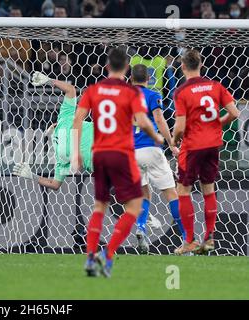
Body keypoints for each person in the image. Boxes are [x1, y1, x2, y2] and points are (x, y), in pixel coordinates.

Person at [72, 48, 163, 277]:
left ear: (106, 67)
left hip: (100, 154)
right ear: (126, 69)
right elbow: (142, 122)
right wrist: (157, 137)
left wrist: (76, 152)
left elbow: (78, 120)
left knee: (99, 206)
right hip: (122, 153)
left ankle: (90, 258)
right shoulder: (131, 92)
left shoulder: (93, 90)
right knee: (134, 206)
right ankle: (108, 255)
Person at [172, 49, 240, 255]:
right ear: (201, 65)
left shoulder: (181, 91)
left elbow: (180, 127)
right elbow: (235, 112)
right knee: (208, 189)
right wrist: (216, 124)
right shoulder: (215, 86)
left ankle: (190, 241)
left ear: (183, 66)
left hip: (192, 146)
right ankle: (209, 238)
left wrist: (174, 141)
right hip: (213, 144)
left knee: (183, 190)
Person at [130, 64, 185, 254]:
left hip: (130, 152)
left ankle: (141, 228)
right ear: (148, 79)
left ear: (131, 79)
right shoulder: (153, 95)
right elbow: (160, 120)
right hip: (151, 149)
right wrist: (171, 143)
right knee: (171, 193)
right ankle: (187, 240)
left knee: (144, 193)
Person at [12, 71, 93, 190]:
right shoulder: (65, 118)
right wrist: (49, 80)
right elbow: (71, 90)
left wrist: (32, 176)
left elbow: (55, 185)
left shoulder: (60, 156)